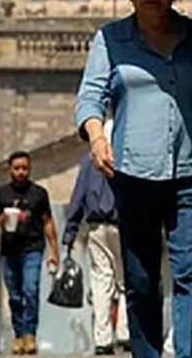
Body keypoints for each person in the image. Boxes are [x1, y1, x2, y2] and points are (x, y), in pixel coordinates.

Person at [75, 0, 192, 358]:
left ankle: (186, 354)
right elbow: (90, 96)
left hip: (190, 174)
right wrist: (97, 136)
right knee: (141, 279)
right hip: (133, 175)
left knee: (187, 273)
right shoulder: (110, 39)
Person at [63, 124, 128, 356]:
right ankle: (124, 332)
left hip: (96, 227)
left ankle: (103, 339)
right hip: (124, 226)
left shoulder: (88, 163)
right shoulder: (126, 157)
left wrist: (70, 231)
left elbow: (77, 198)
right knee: (125, 280)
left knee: (101, 282)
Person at [0, 151, 59, 355]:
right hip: (9, 251)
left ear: (30, 169)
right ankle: (18, 335)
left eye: (24, 168)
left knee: (31, 290)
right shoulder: (2, 194)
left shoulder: (39, 193)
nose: (21, 172)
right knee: (15, 296)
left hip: (32, 249)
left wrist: (54, 250)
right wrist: (1, 219)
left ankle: (30, 335)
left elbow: (47, 221)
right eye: (17, 168)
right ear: (10, 170)